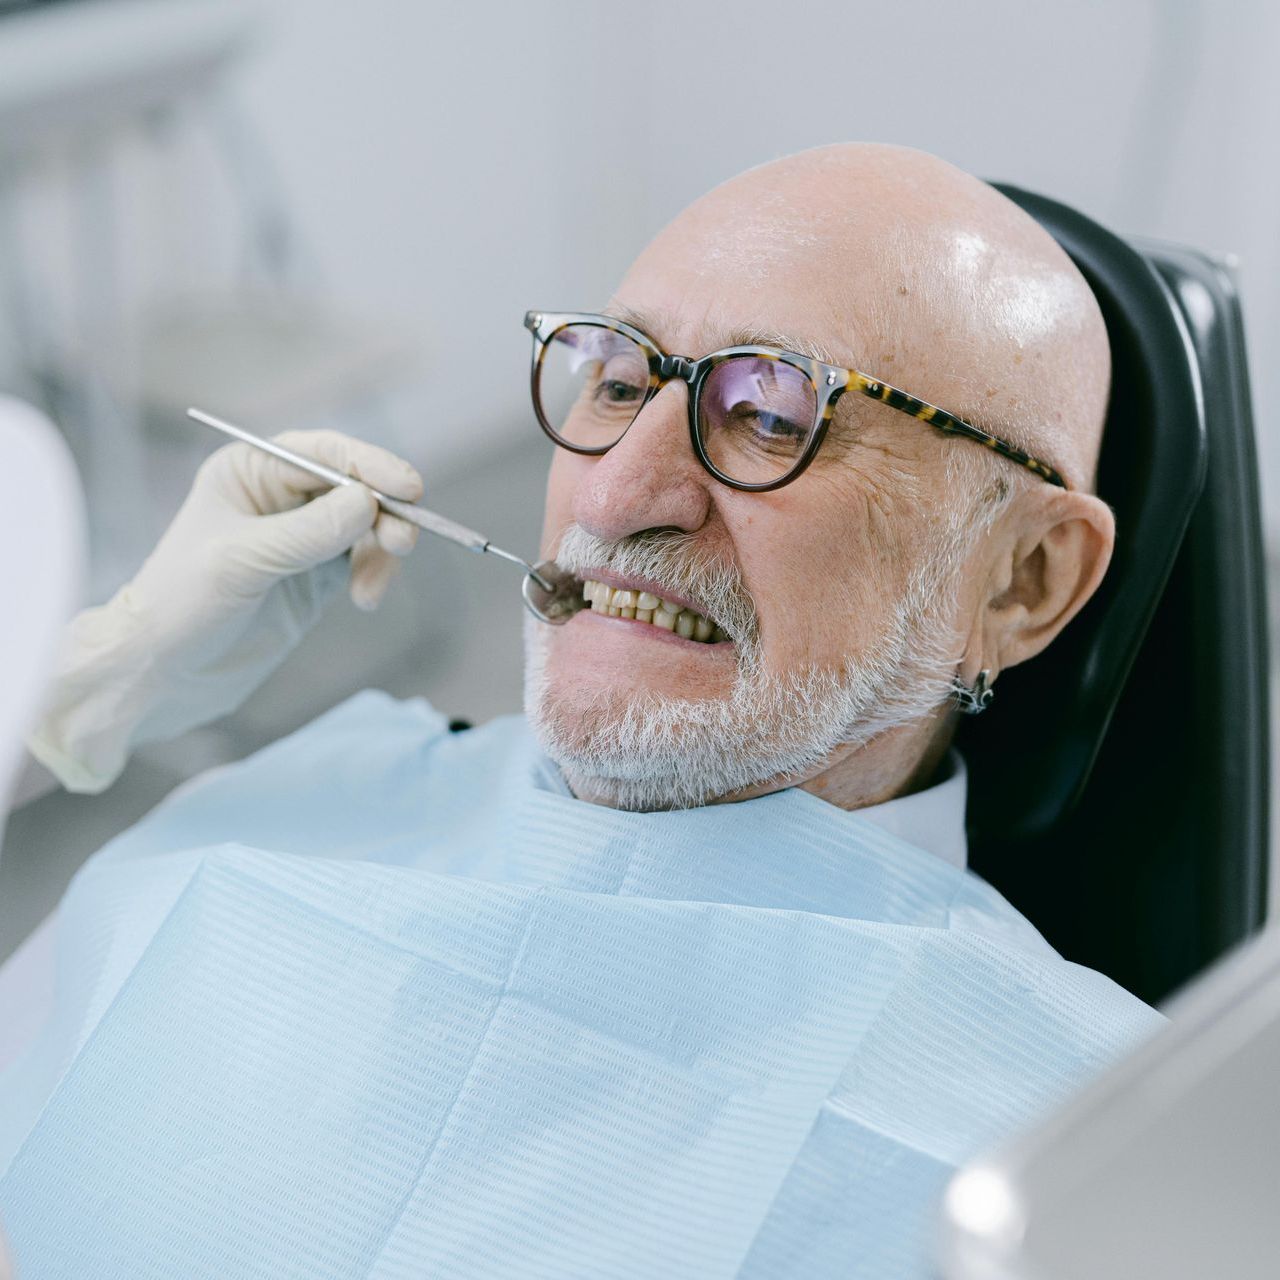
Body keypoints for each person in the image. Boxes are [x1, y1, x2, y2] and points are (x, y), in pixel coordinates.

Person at [0, 144, 1163, 1279]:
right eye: (616, 379)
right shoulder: (301, 792)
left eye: (770, 412)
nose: (613, 492)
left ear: (1022, 578)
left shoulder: (1099, 1148)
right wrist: (67, 696)